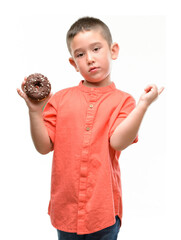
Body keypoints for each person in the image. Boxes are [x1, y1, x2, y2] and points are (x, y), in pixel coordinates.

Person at [17, 16, 164, 240]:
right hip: (66, 209)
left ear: (113, 50)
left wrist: (143, 105)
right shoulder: (60, 99)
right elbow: (43, 147)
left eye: (96, 49)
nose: (90, 59)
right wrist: (35, 112)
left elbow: (118, 142)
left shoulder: (124, 102)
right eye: (80, 54)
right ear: (73, 63)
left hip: (103, 212)